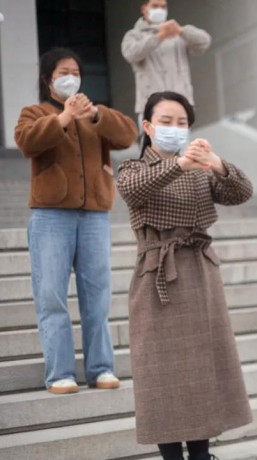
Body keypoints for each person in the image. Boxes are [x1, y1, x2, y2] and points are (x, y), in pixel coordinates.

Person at [116, 91, 253, 460]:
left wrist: (217, 163)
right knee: (161, 372)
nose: (175, 129)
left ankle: (201, 453)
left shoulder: (199, 171)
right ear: (147, 126)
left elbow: (241, 192)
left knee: (202, 369)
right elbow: (133, 191)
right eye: (166, 121)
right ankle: (172, 455)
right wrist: (180, 165)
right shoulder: (132, 168)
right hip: (157, 272)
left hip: (199, 272)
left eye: (182, 123)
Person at [14, 47, 137, 394]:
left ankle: (101, 369)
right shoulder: (34, 113)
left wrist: (94, 113)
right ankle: (60, 373)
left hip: (95, 214)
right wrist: (64, 118)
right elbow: (26, 141)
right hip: (51, 215)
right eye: (62, 72)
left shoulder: (95, 115)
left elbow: (128, 134)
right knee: (51, 295)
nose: (71, 77)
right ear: (48, 80)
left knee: (97, 296)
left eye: (75, 71)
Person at [121, 0, 211, 124]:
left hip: (181, 104)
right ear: (144, 9)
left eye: (163, 7)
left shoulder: (178, 34)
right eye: (155, 6)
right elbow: (131, 54)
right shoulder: (133, 35)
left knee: (182, 142)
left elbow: (204, 42)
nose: (160, 10)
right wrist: (159, 37)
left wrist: (181, 31)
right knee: (151, 142)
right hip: (152, 106)